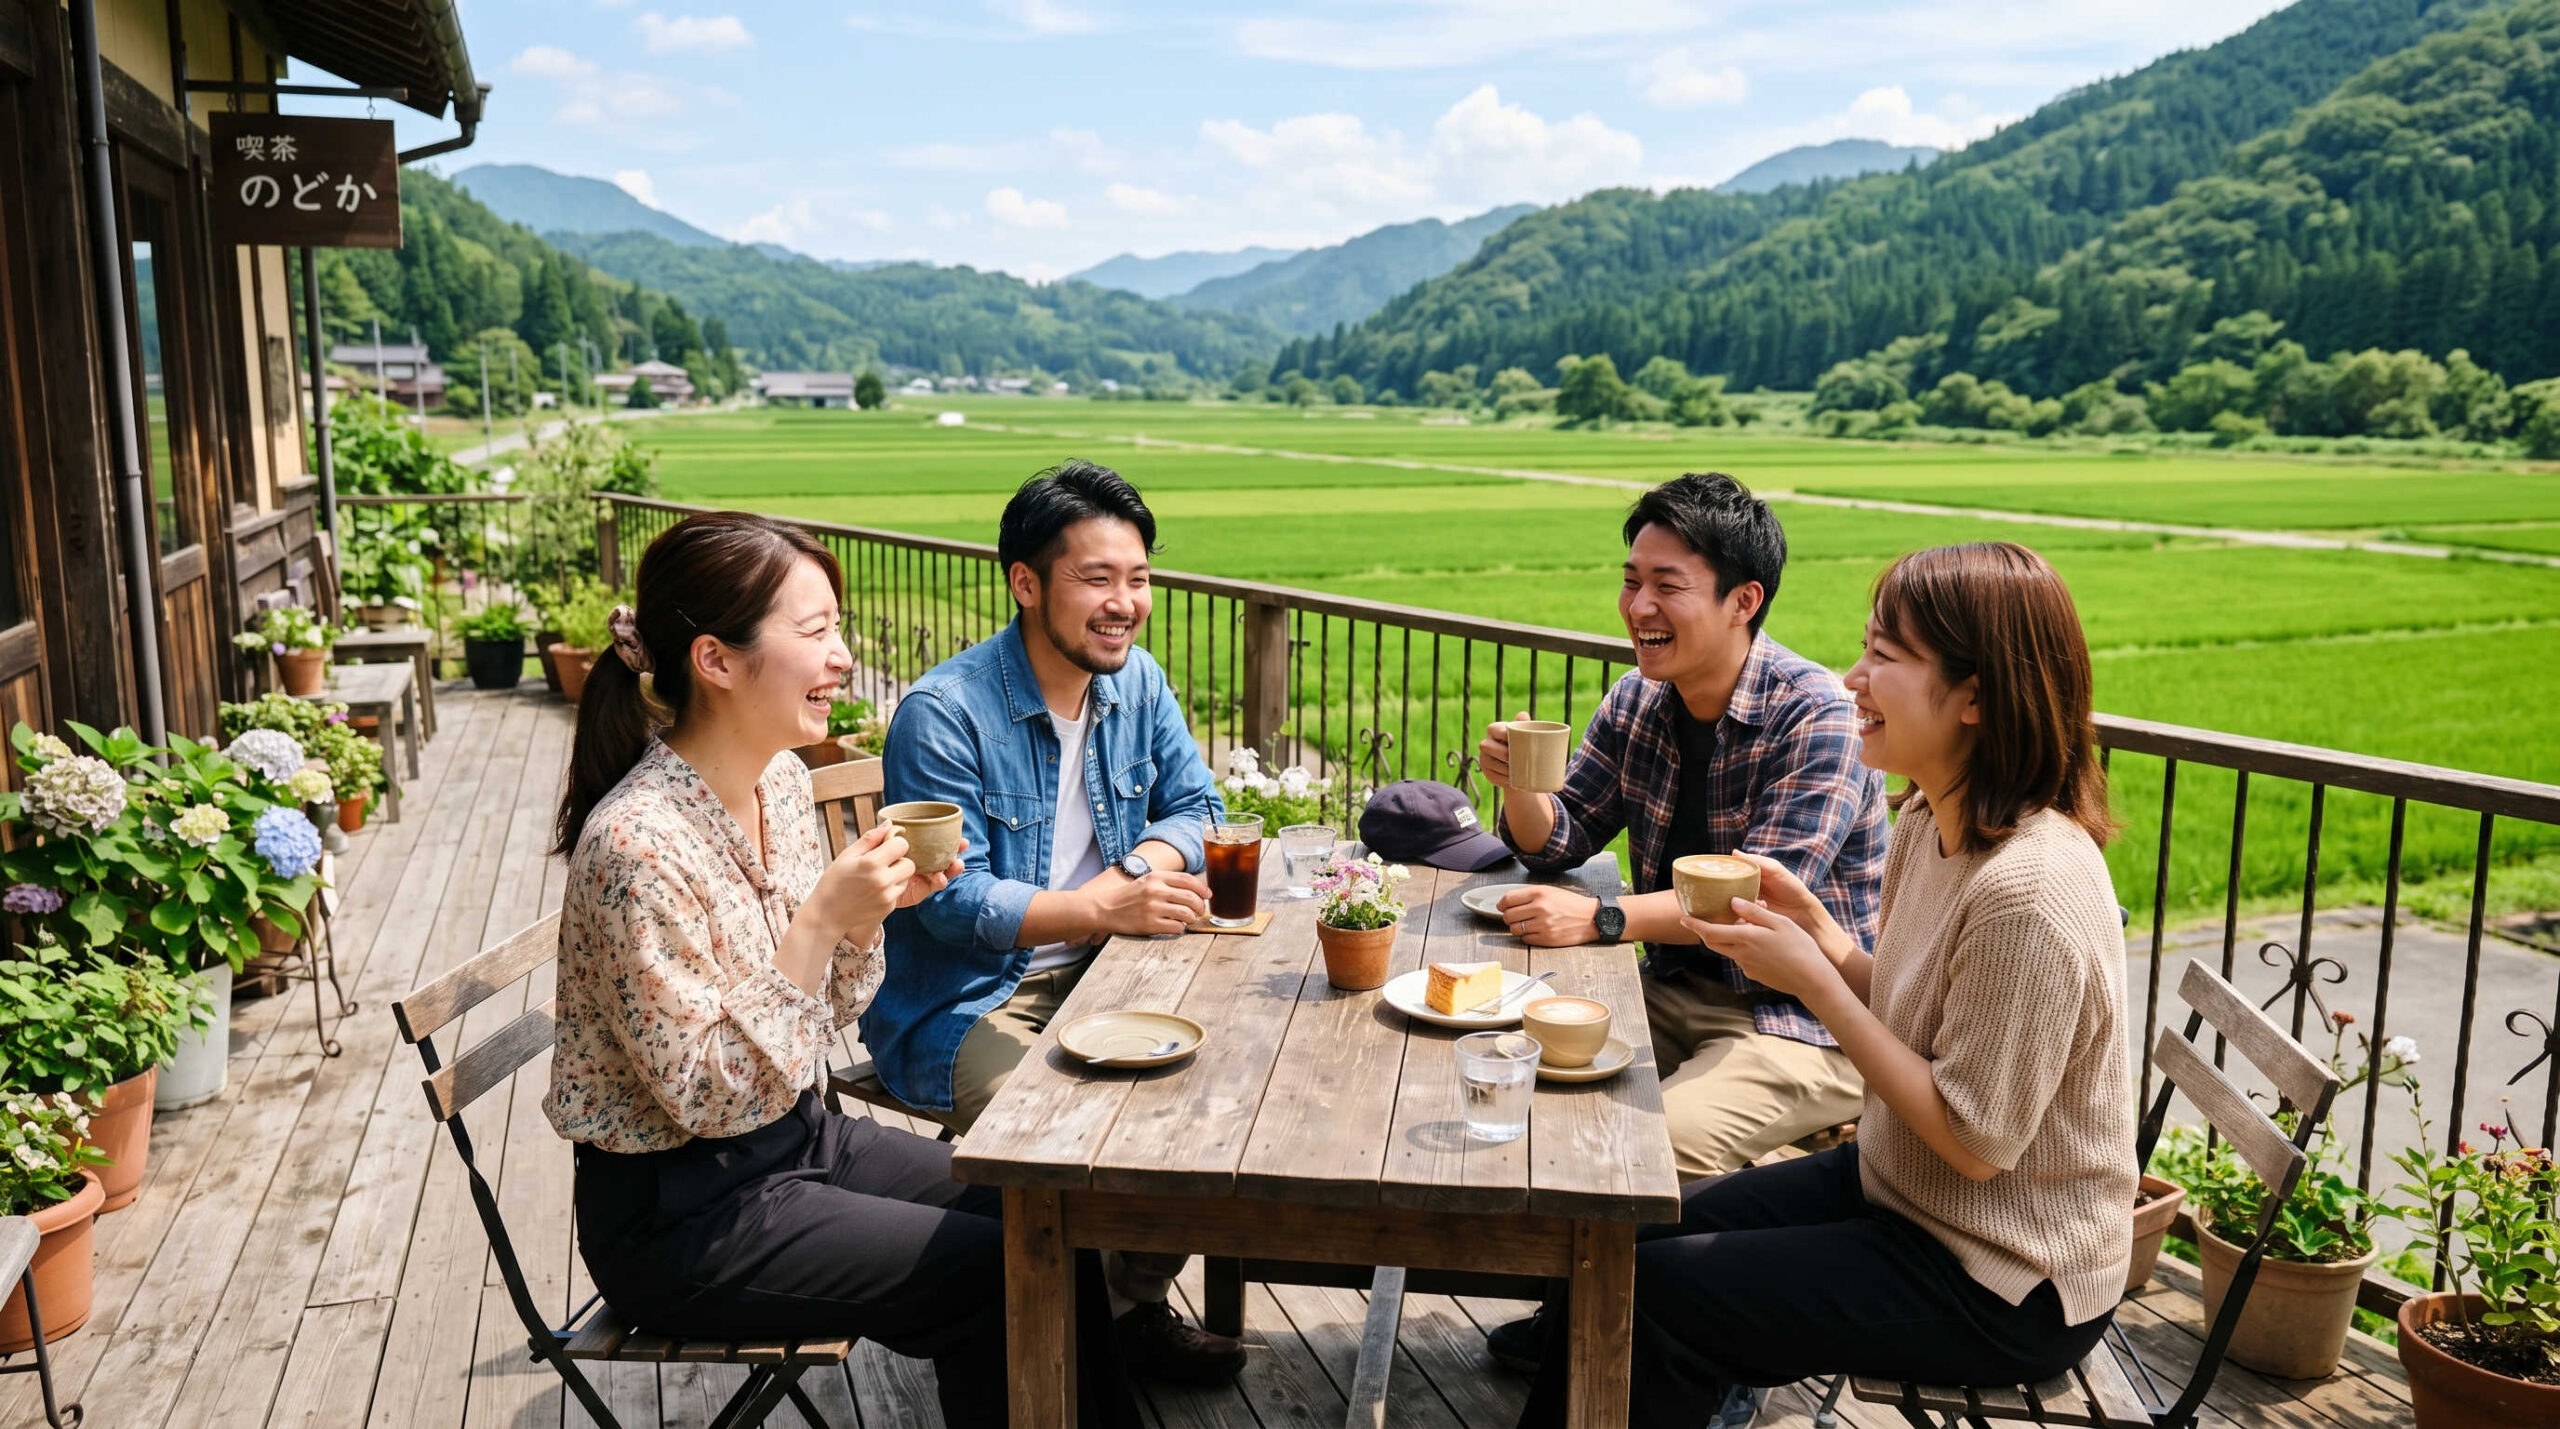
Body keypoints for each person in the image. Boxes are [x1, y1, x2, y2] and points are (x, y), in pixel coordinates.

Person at [1516, 541, 2137, 1429]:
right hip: (1900, 1190)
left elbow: (1975, 1139)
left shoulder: (2028, 891)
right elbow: (1919, 1009)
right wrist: (1828, 941)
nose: (1854, 678)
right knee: (1628, 1233)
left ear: (1977, 696)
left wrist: (1818, 983)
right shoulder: (1930, 817)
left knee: (1662, 1293)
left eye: (1885, 657)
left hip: (2001, 1276)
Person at [544, 511, 1140, 1429]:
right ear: (717, 659)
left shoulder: (778, 780)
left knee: (1046, 1209)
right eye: (815, 632)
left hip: (794, 1137)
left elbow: (832, 1011)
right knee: (992, 1272)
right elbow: (708, 1098)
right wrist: (822, 919)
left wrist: (867, 922)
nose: (844, 656)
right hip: (681, 1215)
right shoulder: (636, 846)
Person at [866, 460, 1245, 1385]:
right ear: (1025, 583)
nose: (1125, 603)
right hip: (968, 1005)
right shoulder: (945, 714)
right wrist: (1092, 909)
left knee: (1228, 1100)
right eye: (1097, 578)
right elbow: (949, 899)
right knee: (1065, 1133)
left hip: (1113, 973)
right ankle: (1067, 1340)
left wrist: (1128, 879)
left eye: (1139, 577)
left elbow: (1199, 804)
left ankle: (1126, 1308)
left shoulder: (1137, 682)